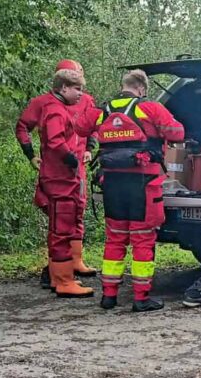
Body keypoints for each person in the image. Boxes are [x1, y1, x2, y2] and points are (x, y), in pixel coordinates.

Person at [84, 68, 184, 312]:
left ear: (124, 85)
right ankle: (141, 298)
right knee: (142, 239)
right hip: (143, 185)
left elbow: (79, 127)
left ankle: (109, 296)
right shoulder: (148, 108)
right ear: (142, 88)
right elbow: (178, 132)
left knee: (115, 238)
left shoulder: (103, 110)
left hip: (112, 185)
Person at [16, 58, 99, 286]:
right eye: (76, 83)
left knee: (76, 212)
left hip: (77, 168)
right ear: (63, 83)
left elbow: (95, 125)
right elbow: (26, 127)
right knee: (59, 217)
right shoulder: (45, 104)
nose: (81, 90)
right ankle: (58, 273)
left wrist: (90, 149)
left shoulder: (86, 100)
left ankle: (74, 262)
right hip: (58, 169)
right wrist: (30, 154)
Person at [32, 67, 94, 297]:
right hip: (60, 179)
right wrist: (71, 158)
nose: (80, 94)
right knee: (61, 231)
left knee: (64, 229)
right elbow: (56, 142)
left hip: (62, 178)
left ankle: (64, 278)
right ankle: (63, 281)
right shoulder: (56, 111)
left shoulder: (57, 108)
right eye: (77, 89)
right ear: (63, 88)